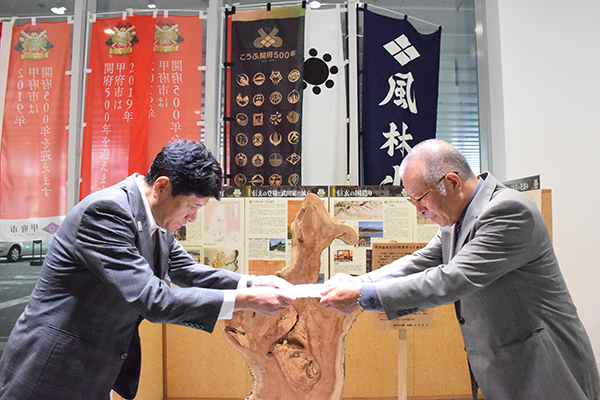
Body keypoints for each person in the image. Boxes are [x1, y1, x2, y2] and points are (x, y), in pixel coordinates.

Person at [0, 140, 295, 400]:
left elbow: (186, 271)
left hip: (94, 366)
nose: (192, 218)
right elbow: (153, 300)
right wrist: (244, 302)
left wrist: (251, 284)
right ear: (162, 186)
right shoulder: (107, 213)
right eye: (192, 206)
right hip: (54, 365)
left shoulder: (157, 218)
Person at [320, 139, 600, 400]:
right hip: (506, 371)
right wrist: (360, 281)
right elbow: (419, 261)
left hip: (545, 370)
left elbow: (451, 279)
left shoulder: (508, 211)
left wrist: (363, 294)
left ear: (452, 182)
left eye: (420, 198)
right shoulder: (457, 220)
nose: (419, 210)